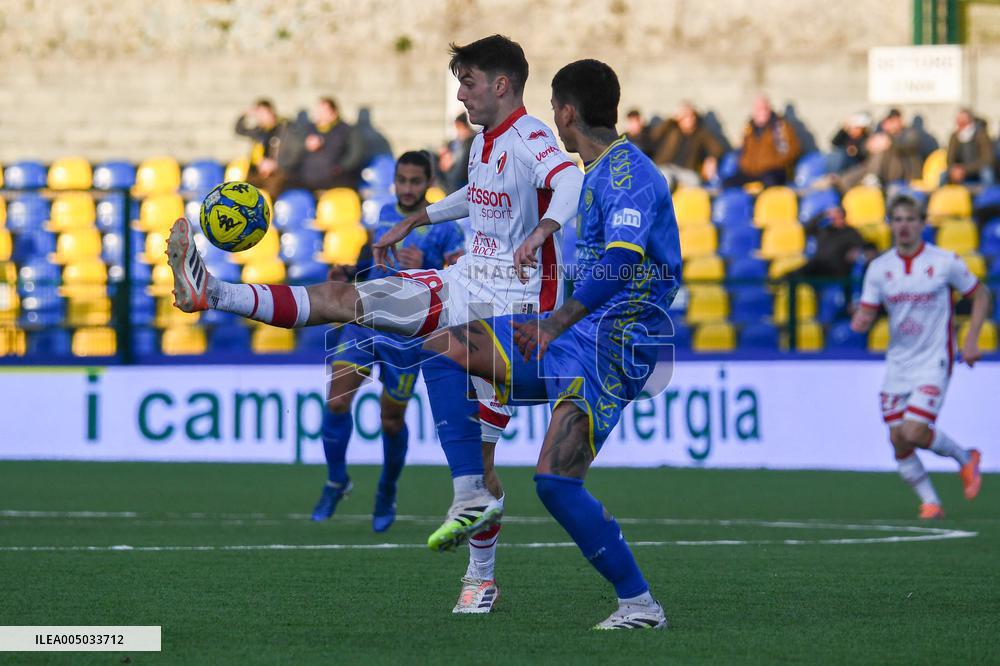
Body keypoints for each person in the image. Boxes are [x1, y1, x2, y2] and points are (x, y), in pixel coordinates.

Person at [167, 34, 584, 615]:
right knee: (351, 298)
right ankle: (211, 291)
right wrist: (418, 219)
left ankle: (481, 574)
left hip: (513, 312)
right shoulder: (486, 141)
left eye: (467, 81)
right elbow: (480, 195)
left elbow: (570, 179)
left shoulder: (532, 135)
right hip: (465, 285)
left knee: (478, 452)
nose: (460, 92)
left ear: (501, 84)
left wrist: (544, 232)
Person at [421, 59, 679, 629]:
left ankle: (640, 606)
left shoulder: (625, 175)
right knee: (448, 346)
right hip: (581, 336)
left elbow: (618, 263)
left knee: (556, 482)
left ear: (566, 111)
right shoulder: (591, 173)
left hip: (620, 344)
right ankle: (471, 493)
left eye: (554, 112)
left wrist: (556, 321)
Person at [311, 151, 465, 531]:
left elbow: (462, 279)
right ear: (394, 181)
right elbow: (370, 258)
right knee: (336, 401)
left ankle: (386, 490)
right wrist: (347, 272)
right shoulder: (380, 214)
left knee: (391, 420)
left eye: (416, 181)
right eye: (402, 180)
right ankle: (336, 480)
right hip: (366, 322)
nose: (408, 188)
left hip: (408, 336)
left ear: (429, 183)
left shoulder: (444, 225)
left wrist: (425, 270)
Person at [850, 194, 987, 519]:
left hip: (934, 360)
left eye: (911, 219)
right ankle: (931, 502)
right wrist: (859, 320)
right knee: (898, 439)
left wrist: (970, 340)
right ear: (890, 224)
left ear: (922, 224)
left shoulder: (944, 261)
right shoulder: (879, 268)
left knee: (912, 431)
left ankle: (965, 459)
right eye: (898, 220)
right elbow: (866, 313)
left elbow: (981, 294)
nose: (904, 226)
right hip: (898, 363)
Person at [832, 109, 921, 191]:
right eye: (887, 121)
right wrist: (868, 146)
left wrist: (889, 143)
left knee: (880, 151)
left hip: (902, 172)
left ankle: (873, 178)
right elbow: (860, 149)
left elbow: (910, 145)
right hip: (874, 167)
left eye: (892, 121)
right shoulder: (881, 134)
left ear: (899, 121)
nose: (889, 124)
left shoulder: (909, 133)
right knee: (846, 180)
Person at [234, 99, 304, 199]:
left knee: (268, 197)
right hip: (256, 172)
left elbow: (294, 152)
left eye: (262, 114)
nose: (260, 118)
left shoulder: (284, 129)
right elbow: (239, 130)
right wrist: (245, 114)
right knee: (242, 195)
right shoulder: (259, 130)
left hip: (275, 174)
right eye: (258, 114)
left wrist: (275, 164)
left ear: (270, 111)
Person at [725, 95, 800, 187]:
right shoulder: (749, 129)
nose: (762, 112)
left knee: (770, 182)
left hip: (772, 172)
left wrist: (771, 164)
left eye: (765, 108)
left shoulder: (779, 127)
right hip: (751, 173)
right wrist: (743, 164)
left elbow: (792, 151)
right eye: (759, 109)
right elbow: (742, 151)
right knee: (728, 183)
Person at [647, 101, 723, 188]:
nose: (690, 119)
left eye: (692, 115)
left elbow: (717, 149)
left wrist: (711, 159)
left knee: (695, 183)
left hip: (686, 170)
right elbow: (654, 136)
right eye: (686, 116)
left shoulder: (700, 133)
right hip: (666, 166)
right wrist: (671, 119)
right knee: (666, 181)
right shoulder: (672, 128)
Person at [294, 97, 354, 191]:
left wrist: (340, 168)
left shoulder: (345, 130)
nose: (319, 114)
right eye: (318, 110)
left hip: (335, 178)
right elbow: (295, 149)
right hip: (307, 178)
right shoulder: (308, 129)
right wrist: (306, 145)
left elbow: (354, 154)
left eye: (323, 111)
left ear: (334, 113)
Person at [796, 205, 865, 279]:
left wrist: (855, 252)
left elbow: (862, 247)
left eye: (836, 214)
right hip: (818, 265)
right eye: (831, 215)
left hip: (836, 268)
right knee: (793, 275)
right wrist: (822, 214)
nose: (833, 218)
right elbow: (806, 230)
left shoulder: (851, 232)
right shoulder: (824, 229)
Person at [944, 108, 995, 186]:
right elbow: (950, 158)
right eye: (958, 122)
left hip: (976, 169)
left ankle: (989, 196)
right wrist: (954, 169)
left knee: (987, 173)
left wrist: (965, 169)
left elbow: (987, 159)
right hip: (960, 170)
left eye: (963, 122)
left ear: (970, 121)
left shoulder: (981, 135)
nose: (960, 124)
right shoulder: (954, 136)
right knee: (943, 175)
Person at [437, 112, 476, 193]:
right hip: (452, 176)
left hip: (462, 179)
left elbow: (462, 161)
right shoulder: (456, 141)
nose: (458, 130)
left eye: (459, 127)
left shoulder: (472, 140)